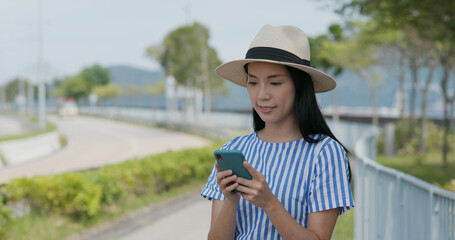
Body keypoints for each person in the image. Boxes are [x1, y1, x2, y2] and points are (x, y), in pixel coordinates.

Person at [201, 24, 354, 240]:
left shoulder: (325, 153)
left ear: (300, 86)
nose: (261, 95)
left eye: (274, 83)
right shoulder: (233, 149)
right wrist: (232, 199)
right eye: (253, 82)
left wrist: (269, 202)